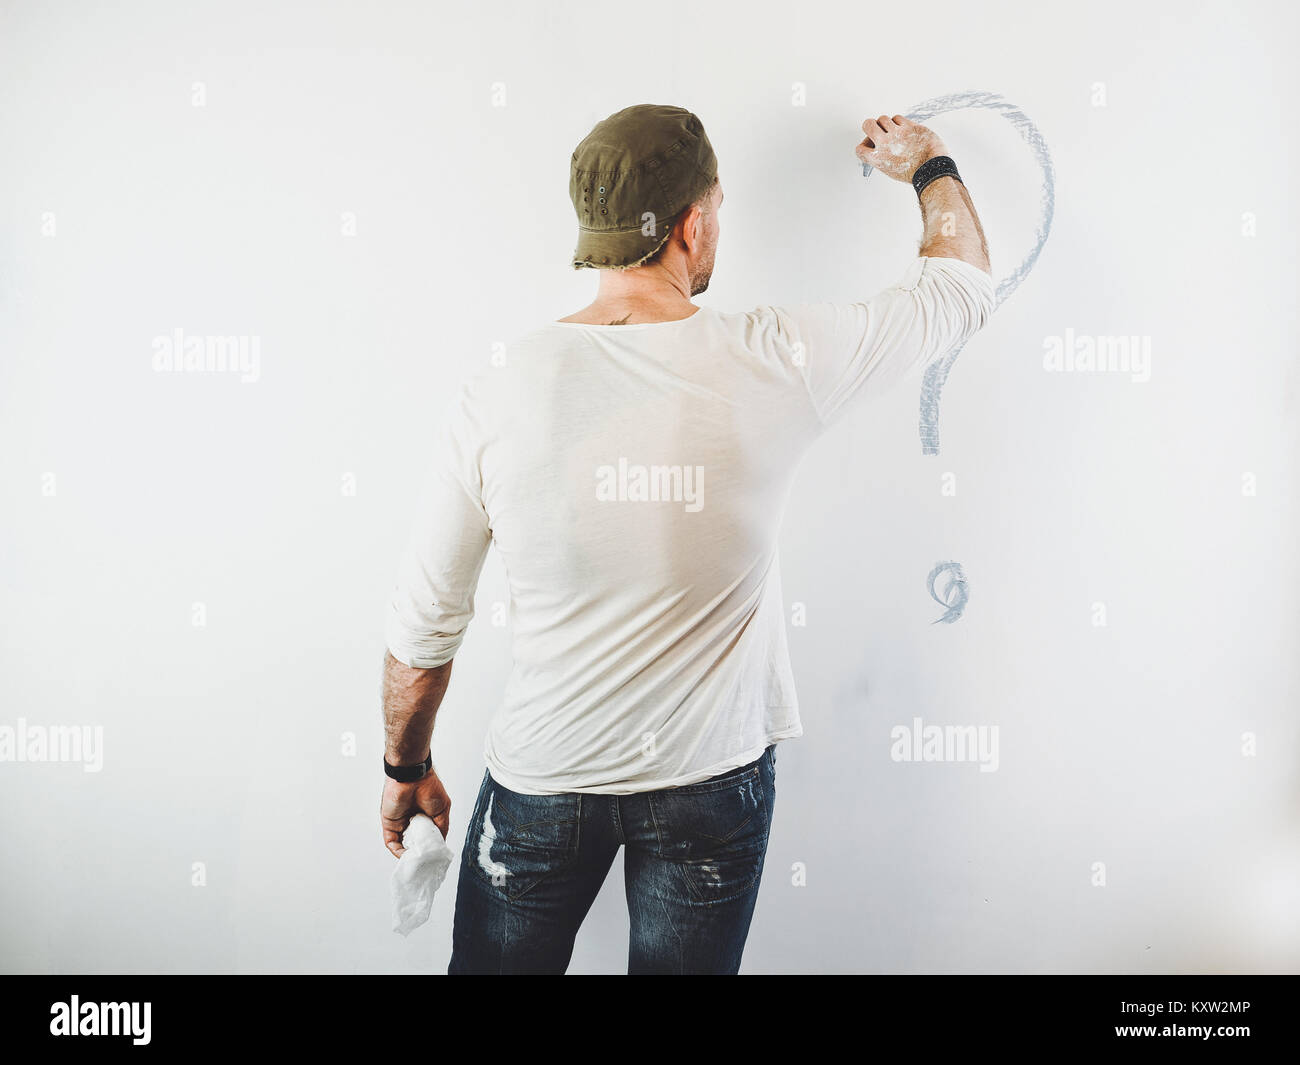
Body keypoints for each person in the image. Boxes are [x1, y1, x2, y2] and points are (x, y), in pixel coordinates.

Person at [379, 104, 993, 974]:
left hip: (546, 779)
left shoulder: (498, 390)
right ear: (692, 224)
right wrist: (929, 163)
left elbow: (421, 632)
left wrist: (406, 766)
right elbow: (960, 287)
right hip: (711, 781)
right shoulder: (777, 359)